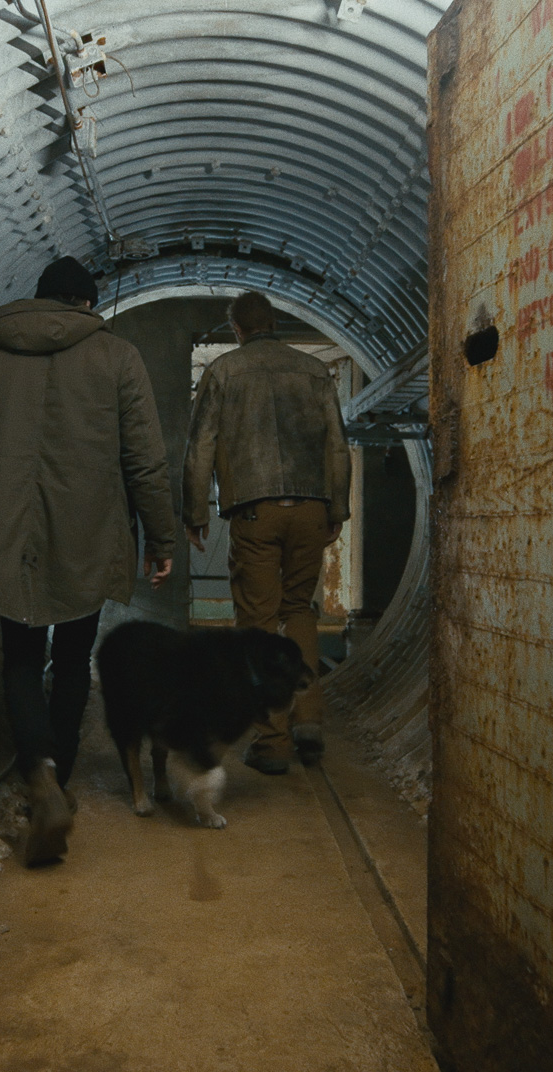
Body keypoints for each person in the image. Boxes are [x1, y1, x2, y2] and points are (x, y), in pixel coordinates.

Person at [0, 255, 176, 865]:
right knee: (72, 660)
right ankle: (58, 781)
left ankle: (38, 771)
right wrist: (161, 538)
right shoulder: (117, 355)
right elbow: (145, 458)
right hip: (87, 534)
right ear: (87, 304)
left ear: (38, 299)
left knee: (20, 659)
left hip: (7, 534)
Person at [183, 291, 350, 774]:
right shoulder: (314, 371)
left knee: (257, 621)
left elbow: (200, 448)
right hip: (311, 508)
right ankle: (309, 723)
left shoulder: (223, 372)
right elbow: (338, 445)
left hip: (255, 512)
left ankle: (273, 743)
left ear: (237, 329)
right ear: (273, 323)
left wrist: (195, 512)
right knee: (298, 610)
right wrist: (337, 508)